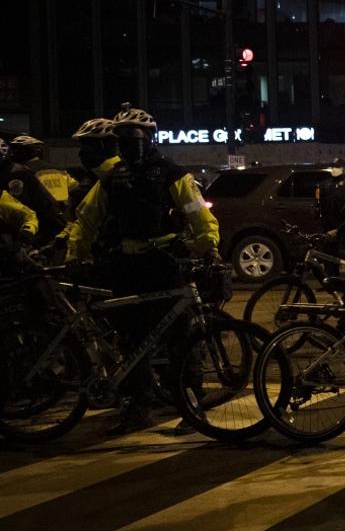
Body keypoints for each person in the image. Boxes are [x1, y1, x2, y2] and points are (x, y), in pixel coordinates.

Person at [67, 107, 219, 429]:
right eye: (121, 139)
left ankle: (191, 404)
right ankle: (138, 405)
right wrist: (75, 254)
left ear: (150, 138)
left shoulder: (170, 173)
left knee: (181, 336)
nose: (128, 144)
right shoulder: (111, 179)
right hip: (126, 266)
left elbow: (196, 212)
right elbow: (87, 219)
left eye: (134, 138)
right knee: (132, 340)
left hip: (163, 263)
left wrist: (209, 247)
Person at [2, 134, 69, 249]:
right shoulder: (57, 169)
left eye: (14, 150)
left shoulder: (23, 172)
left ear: (23, 152)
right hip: (62, 220)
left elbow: (20, 203)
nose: (11, 154)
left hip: (40, 225)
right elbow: (75, 189)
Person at [67, 118, 121, 218]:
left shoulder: (115, 178)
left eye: (87, 146)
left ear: (105, 146)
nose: (81, 152)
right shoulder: (93, 176)